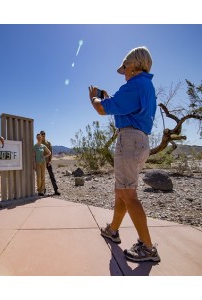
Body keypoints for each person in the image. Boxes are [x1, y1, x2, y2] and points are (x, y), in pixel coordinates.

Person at [88, 46, 160, 262]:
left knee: (128, 194)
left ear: (135, 65)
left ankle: (148, 247)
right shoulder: (145, 86)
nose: (124, 73)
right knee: (122, 190)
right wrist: (111, 100)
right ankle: (113, 230)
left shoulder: (136, 84)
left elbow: (102, 109)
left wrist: (94, 98)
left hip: (129, 141)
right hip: (136, 140)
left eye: (126, 67)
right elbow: (122, 110)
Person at [40, 130, 60, 195]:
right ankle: (43, 190)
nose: (43, 135)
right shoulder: (39, 143)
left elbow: (51, 152)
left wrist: (50, 161)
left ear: (45, 135)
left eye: (44, 134)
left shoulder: (48, 143)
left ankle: (56, 190)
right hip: (41, 163)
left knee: (52, 176)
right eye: (42, 134)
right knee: (42, 177)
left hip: (48, 162)